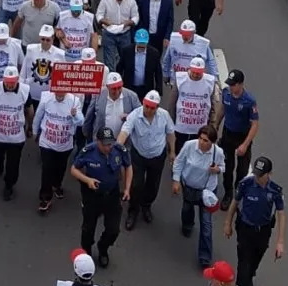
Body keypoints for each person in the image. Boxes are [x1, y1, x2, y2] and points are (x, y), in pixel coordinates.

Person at [224, 156, 286, 286]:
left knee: (256, 258)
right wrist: (227, 223)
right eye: (256, 174)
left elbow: (281, 214)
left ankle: (249, 277)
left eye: (261, 175)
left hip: (263, 231)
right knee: (244, 262)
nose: (257, 178)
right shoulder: (246, 184)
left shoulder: (275, 190)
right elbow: (235, 202)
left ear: (269, 174)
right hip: (245, 228)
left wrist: (280, 242)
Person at [71, 127, 131, 268]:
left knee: (113, 230)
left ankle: (103, 248)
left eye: (110, 143)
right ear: (97, 142)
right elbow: (74, 169)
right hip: (92, 196)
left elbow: (128, 166)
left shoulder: (119, 150)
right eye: (105, 144)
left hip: (112, 194)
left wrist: (127, 189)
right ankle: (86, 254)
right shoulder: (88, 151)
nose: (108, 147)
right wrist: (87, 180)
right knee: (88, 228)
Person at [119, 90, 175, 227]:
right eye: (146, 106)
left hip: (157, 155)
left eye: (152, 108)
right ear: (143, 103)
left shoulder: (164, 116)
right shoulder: (135, 115)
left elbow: (170, 133)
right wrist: (117, 148)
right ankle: (133, 211)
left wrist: (172, 151)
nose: (148, 110)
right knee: (136, 184)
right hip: (139, 155)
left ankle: (146, 206)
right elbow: (124, 132)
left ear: (157, 108)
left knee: (153, 185)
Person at [172, 124, 224, 266]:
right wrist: (176, 180)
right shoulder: (189, 146)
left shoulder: (217, 152)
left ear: (212, 142)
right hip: (189, 187)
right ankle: (187, 225)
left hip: (206, 192)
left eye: (206, 140)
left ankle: (205, 257)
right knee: (187, 210)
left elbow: (222, 167)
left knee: (206, 225)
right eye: (200, 138)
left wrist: (217, 170)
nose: (202, 142)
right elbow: (179, 162)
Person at [33, 85, 82, 213]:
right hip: (47, 142)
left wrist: (75, 115)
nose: (59, 96)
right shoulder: (46, 98)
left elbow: (81, 122)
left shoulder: (74, 101)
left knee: (60, 168)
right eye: (57, 93)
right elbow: (38, 116)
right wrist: (34, 131)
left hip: (65, 144)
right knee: (47, 168)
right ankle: (45, 197)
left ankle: (57, 184)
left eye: (62, 93)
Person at [217, 70, 259, 209]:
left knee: (242, 170)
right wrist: (215, 126)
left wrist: (245, 145)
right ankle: (228, 193)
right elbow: (222, 110)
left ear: (241, 84)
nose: (231, 87)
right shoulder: (226, 94)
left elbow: (254, 125)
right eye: (230, 84)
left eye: (233, 85)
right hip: (228, 134)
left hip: (242, 137)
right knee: (227, 168)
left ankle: (238, 192)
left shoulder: (249, 101)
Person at [0, 65, 30, 199]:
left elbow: (29, 109)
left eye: (13, 83)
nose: (10, 86)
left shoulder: (25, 91)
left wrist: (30, 127)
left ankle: (9, 185)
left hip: (16, 136)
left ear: (17, 80)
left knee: (13, 165)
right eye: (7, 83)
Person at [83, 71, 138, 143]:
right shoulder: (98, 95)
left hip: (124, 141)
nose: (117, 91)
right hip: (102, 141)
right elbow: (90, 115)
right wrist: (86, 131)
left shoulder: (132, 96)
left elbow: (140, 116)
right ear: (107, 87)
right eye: (114, 89)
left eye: (119, 87)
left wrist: (129, 116)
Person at [95, 0, 139, 69]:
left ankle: (121, 77)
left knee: (125, 58)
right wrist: (104, 20)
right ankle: (111, 79)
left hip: (124, 33)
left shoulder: (131, 1)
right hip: (108, 33)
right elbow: (99, 14)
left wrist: (128, 22)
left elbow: (135, 17)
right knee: (109, 60)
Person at [119, 27, 161, 101]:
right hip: (129, 88)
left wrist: (158, 89)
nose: (141, 45)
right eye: (139, 43)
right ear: (135, 40)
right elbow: (119, 68)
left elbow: (158, 73)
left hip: (146, 89)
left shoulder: (154, 53)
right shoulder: (126, 51)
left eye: (143, 43)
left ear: (147, 41)